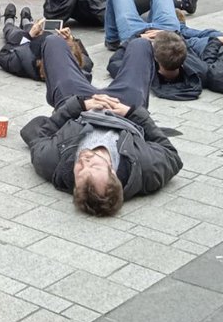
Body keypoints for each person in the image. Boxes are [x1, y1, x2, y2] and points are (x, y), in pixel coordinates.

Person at [20, 33, 182, 216]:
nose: (84, 161)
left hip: (80, 107)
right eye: (95, 167)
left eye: (79, 171)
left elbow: (40, 135)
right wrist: (132, 112)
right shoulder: (144, 168)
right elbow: (172, 155)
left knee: (52, 41)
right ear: (113, 172)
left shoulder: (52, 163)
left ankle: (81, 72)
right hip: (123, 108)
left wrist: (78, 106)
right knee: (140, 45)